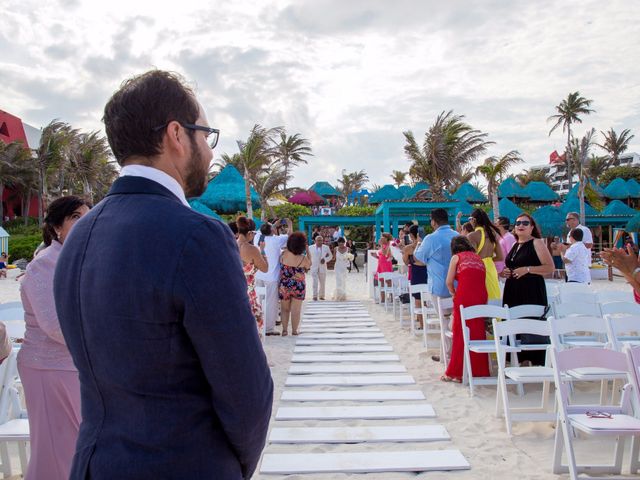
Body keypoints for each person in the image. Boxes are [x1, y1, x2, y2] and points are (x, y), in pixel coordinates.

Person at [53, 70, 273, 479]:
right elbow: (247, 394)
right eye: (205, 135)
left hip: (94, 464)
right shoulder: (196, 235)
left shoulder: (80, 234)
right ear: (176, 134)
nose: (209, 151)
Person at [18, 195, 90, 480]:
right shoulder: (44, 264)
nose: (85, 222)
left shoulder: (79, 259)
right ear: (57, 227)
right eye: (76, 217)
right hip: (47, 368)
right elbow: (54, 324)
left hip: (72, 366)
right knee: (57, 449)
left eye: (88, 215)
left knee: (75, 447)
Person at [501, 213, 554, 365]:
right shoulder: (515, 245)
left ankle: (534, 358)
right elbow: (512, 266)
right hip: (513, 290)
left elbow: (550, 268)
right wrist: (505, 271)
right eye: (518, 223)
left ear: (531, 227)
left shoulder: (537, 243)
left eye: (525, 223)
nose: (521, 226)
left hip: (531, 290)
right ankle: (518, 359)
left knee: (530, 322)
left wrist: (528, 269)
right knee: (515, 322)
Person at [442, 236, 489, 383]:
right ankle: (478, 370)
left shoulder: (456, 257)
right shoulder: (478, 258)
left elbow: (449, 281)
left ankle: (455, 372)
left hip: (464, 295)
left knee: (460, 332)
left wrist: (453, 293)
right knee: (477, 331)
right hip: (481, 295)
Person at [256, 218, 292, 335]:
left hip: (259, 274)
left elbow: (262, 230)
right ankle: (269, 329)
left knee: (259, 302)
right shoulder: (277, 240)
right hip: (271, 277)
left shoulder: (258, 237)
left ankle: (258, 326)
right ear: (272, 230)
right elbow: (290, 236)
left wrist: (272, 225)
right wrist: (290, 224)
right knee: (271, 303)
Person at [414, 208, 459, 303]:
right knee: (457, 316)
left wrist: (418, 244)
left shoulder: (431, 238)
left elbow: (418, 258)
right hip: (458, 286)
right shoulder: (458, 235)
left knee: (443, 317)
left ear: (433, 222)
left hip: (439, 288)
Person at [237, 216, 269, 333]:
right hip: (249, 295)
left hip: (233, 293)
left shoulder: (230, 245)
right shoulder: (252, 249)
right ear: (250, 233)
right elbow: (265, 268)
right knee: (254, 329)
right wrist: (263, 251)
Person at [466, 209, 503, 302]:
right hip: (491, 268)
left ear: (474, 220)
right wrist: (488, 260)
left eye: (470, 219)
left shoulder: (472, 236)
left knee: (479, 300)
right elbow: (500, 257)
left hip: (478, 270)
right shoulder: (492, 234)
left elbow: (471, 259)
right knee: (493, 297)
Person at [279, 232, 312, 335]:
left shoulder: (283, 254)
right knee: (296, 310)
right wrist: (308, 251)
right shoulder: (303, 258)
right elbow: (309, 265)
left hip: (284, 285)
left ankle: (284, 330)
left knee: (284, 309)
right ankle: (294, 330)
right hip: (298, 286)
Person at [403, 224, 427, 328]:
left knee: (418, 301)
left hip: (416, 275)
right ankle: (424, 323)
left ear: (412, 236)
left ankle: (422, 325)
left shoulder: (408, 248)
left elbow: (406, 262)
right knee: (425, 299)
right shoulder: (427, 246)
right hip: (427, 274)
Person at [371, 233, 394, 303]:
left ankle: (391, 298)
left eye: (382, 237)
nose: (381, 238)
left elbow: (385, 254)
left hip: (386, 265)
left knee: (388, 281)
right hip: (381, 265)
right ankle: (383, 299)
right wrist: (375, 256)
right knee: (381, 281)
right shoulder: (383, 245)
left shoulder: (388, 245)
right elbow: (382, 256)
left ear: (386, 239)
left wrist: (381, 244)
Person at [309, 234, 332, 300]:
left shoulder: (326, 247)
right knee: (315, 282)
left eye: (321, 240)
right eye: (318, 240)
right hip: (314, 267)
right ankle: (314, 295)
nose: (320, 242)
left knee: (322, 282)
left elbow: (330, 256)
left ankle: (321, 295)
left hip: (323, 267)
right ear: (315, 241)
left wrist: (325, 260)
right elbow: (308, 257)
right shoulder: (310, 248)